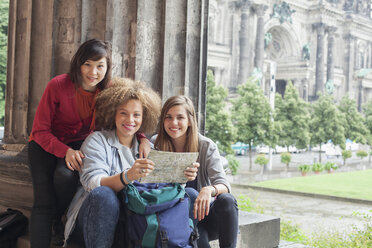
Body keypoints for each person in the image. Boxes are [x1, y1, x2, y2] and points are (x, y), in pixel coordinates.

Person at [28, 39, 150, 248]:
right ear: (78, 64)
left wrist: (143, 137)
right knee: (43, 204)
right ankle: (49, 222)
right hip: (44, 144)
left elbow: (129, 112)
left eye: (100, 66)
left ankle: (58, 220)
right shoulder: (58, 85)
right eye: (88, 64)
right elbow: (40, 130)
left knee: (65, 176)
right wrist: (65, 151)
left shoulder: (108, 91)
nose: (93, 72)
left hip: (77, 145)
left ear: (107, 68)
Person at [63, 78, 198, 247]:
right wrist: (128, 176)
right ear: (113, 113)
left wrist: (181, 178)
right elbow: (93, 184)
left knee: (190, 194)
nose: (130, 120)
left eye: (136, 115)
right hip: (95, 218)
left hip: (133, 221)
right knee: (104, 195)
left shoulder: (148, 147)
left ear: (144, 117)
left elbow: (161, 191)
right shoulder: (96, 141)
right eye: (123, 113)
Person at [154, 95, 239, 248]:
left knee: (227, 200)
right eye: (168, 117)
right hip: (176, 216)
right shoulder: (155, 144)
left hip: (206, 213)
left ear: (190, 121)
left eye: (180, 117)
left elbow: (224, 184)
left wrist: (208, 190)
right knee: (191, 198)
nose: (174, 123)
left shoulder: (206, 146)